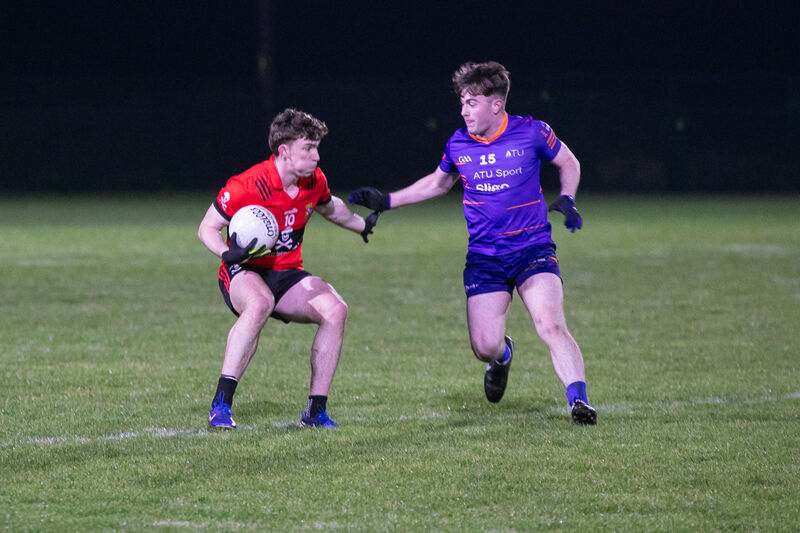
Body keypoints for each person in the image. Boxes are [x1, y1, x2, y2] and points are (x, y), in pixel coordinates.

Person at [348, 61, 596, 425]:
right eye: (462, 103)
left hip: (532, 249)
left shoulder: (532, 132)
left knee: (550, 325)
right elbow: (438, 183)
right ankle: (502, 357)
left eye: (471, 102)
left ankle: (580, 402)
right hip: (485, 258)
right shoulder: (458, 143)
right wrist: (387, 202)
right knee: (484, 347)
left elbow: (569, 162)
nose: (463, 111)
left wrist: (569, 198)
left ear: (496, 104)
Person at [198, 108, 379, 430]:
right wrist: (228, 253)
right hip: (245, 270)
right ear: (284, 151)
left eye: (317, 147)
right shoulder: (248, 185)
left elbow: (331, 207)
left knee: (335, 310)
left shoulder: (313, 181)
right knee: (259, 303)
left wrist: (362, 224)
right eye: (309, 148)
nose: (316, 156)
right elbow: (207, 228)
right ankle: (221, 405)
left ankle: (315, 412)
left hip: (287, 273)